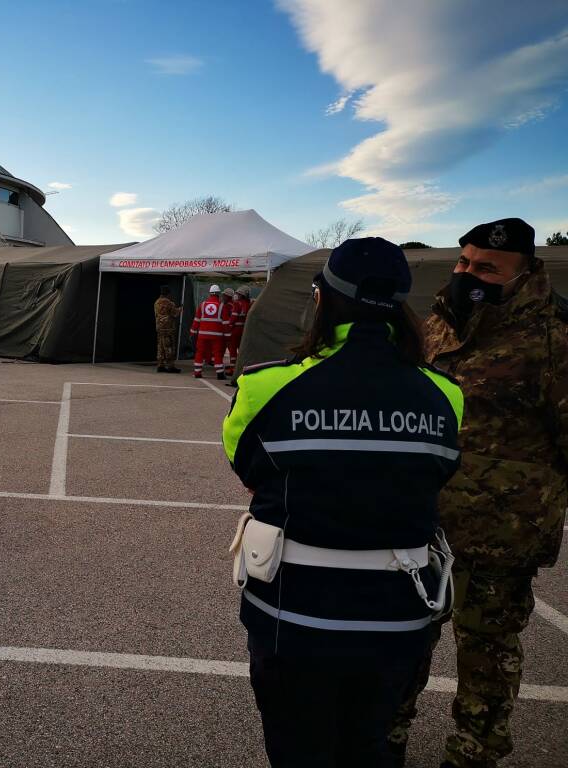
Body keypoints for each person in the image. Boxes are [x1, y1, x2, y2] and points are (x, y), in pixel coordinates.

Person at [223, 237, 464, 768]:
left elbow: (246, 468)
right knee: (369, 745)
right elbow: (439, 471)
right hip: (397, 616)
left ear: (321, 298)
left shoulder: (267, 386)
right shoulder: (446, 393)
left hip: (293, 615)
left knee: (298, 750)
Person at [388, 218, 568, 768]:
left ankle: (474, 752)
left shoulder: (553, 338)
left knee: (486, 650)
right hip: (425, 523)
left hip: (503, 531)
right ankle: (386, 736)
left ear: (526, 272)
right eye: (465, 263)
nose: (470, 274)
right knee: (404, 637)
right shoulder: (439, 323)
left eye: (488, 267)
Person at [191, 284, 228, 379]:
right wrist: (227, 335)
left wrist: (193, 332)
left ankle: (197, 373)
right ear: (218, 294)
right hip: (217, 336)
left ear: (210, 293)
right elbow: (225, 323)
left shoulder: (202, 305)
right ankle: (220, 374)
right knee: (217, 353)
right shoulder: (221, 306)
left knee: (199, 353)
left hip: (203, 335)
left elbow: (196, 320)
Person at [153, 285, 182, 373]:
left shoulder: (156, 302)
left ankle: (160, 365)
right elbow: (175, 314)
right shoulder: (170, 303)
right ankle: (170, 366)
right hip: (168, 328)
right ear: (168, 293)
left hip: (159, 328)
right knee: (169, 347)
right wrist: (180, 309)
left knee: (160, 346)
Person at [225, 285, 251, 375]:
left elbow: (233, 317)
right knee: (241, 350)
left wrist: (229, 326)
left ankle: (233, 369)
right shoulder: (249, 304)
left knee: (232, 350)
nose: (237, 295)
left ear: (242, 295)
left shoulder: (237, 304)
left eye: (238, 293)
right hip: (244, 330)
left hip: (235, 330)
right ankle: (242, 368)